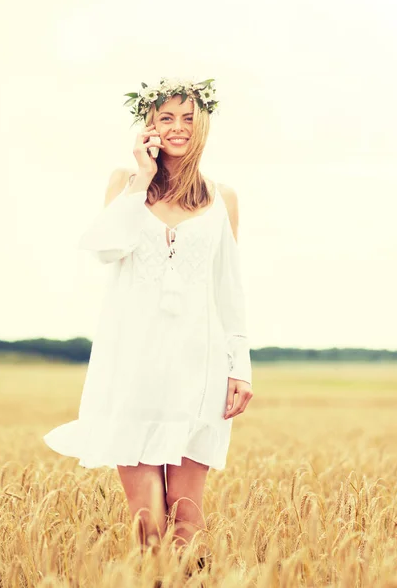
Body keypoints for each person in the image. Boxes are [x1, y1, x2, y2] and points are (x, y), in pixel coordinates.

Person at [43, 77, 253, 566]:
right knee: (148, 524)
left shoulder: (224, 198)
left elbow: (230, 289)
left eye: (187, 117)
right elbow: (105, 249)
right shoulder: (125, 183)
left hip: (198, 370)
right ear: (149, 126)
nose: (178, 127)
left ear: (203, 124)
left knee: (187, 519)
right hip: (134, 370)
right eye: (166, 118)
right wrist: (141, 176)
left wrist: (239, 366)